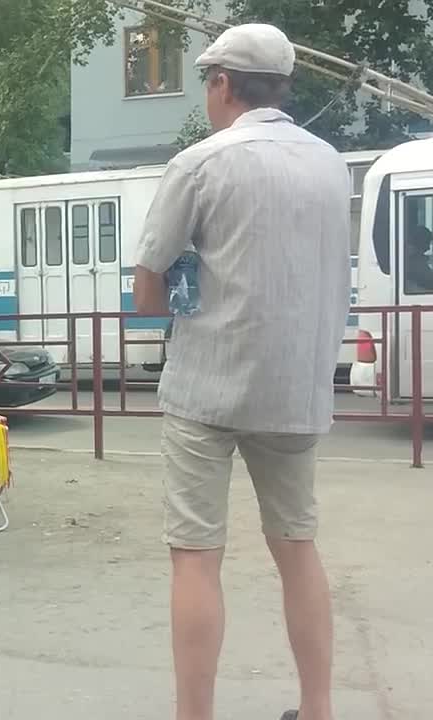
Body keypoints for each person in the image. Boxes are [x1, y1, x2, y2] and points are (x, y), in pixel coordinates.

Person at [131, 24, 351, 720]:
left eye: (206, 82)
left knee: (195, 555)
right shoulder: (330, 164)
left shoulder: (200, 164)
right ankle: (317, 710)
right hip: (296, 387)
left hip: (206, 388)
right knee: (296, 545)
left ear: (224, 83)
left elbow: (147, 290)